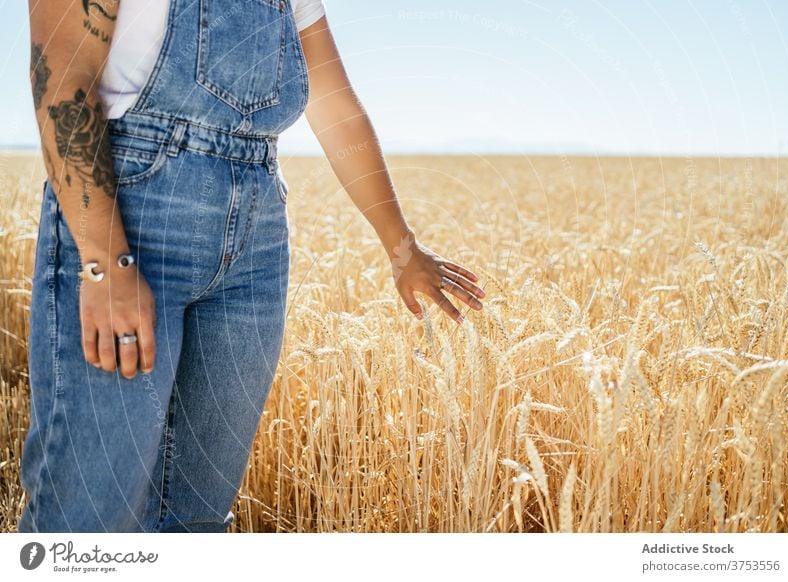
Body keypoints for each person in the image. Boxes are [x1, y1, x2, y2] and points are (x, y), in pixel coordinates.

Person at [19, 0, 486, 533]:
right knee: (90, 513)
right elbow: (61, 77)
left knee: (196, 517)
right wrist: (105, 264)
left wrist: (402, 247)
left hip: (256, 244)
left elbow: (335, 106)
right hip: (131, 217)